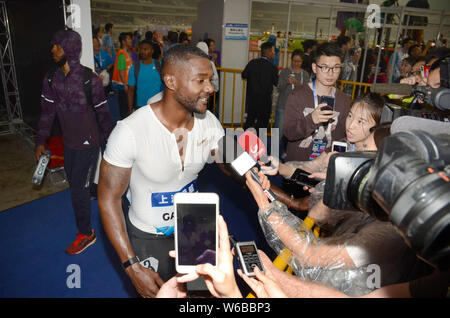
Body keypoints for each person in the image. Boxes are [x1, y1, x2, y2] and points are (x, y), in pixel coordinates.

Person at [97, 44, 226, 298]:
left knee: (203, 294)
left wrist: (274, 190)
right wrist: (131, 266)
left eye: (209, 80)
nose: (210, 88)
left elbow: (231, 162)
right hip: (149, 235)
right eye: (200, 80)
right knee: (160, 295)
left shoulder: (208, 121)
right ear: (171, 81)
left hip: (195, 224)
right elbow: (108, 198)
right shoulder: (130, 131)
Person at [35, 29, 114, 255]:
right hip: (69, 142)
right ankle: (100, 191)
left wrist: (111, 147)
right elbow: (47, 113)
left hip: (90, 144)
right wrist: (40, 141)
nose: (53, 50)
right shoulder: (51, 78)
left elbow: (104, 116)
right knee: (77, 185)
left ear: (69, 48)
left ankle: (87, 233)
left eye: (57, 46)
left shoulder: (91, 80)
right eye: (53, 45)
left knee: (78, 189)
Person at [283, 42, 351, 162]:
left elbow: (343, 137)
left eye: (336, 67)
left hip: (327, 166)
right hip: (298, 165)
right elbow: (289, 133)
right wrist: (312, 119)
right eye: (324, 67)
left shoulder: (344, 100)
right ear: (314, 68)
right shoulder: (297, 96)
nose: (330, 73)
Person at [241, 41, 279, 131]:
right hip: (265, 101)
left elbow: (244, 75)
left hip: (252, 99)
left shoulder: (252, 63)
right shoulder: (272, 67)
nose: (274, 53)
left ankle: (245, 142)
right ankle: (260, 142)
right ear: (269, 52)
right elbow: (276, 83)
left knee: (249, 120)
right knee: (262, 124)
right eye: (273, 51)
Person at [274, 50, 309, 140]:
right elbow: (279, 88)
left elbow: (307, 91)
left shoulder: (304, 74)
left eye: (299, 61)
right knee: (279, 131)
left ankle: (287, 152)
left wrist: (298, 84)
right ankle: (275, 152)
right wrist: (286, 82)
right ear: (291, 60)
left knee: (293, 132)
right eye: (294, 61)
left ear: (302, 61)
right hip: (283, 106)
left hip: (297, 108)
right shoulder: (285, 71)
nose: (296, 63)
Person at [127, 39, 164, 112]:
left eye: (145, 49)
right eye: (141, 49)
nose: (142, 52)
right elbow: (130, 91)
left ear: (152, 51)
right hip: (140, 107)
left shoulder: (160, 66)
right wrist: (130, 109)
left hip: (157, 105)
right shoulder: (134, 68)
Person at [112, 32, 133, 119]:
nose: (131, 40)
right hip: (122, 85)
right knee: (124, 108)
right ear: (123, 42)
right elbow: (121, 71)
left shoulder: (128, 53)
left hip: (126, 84)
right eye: (129, 39)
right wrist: (125, 85)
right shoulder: (121, 54)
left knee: (127, 107)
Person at [197, 41, 220, 113]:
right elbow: (215, 78)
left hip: (197, 91)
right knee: (207, 110)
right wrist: (215, 89)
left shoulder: (192, 63)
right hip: (209, 92)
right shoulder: (210, 63)